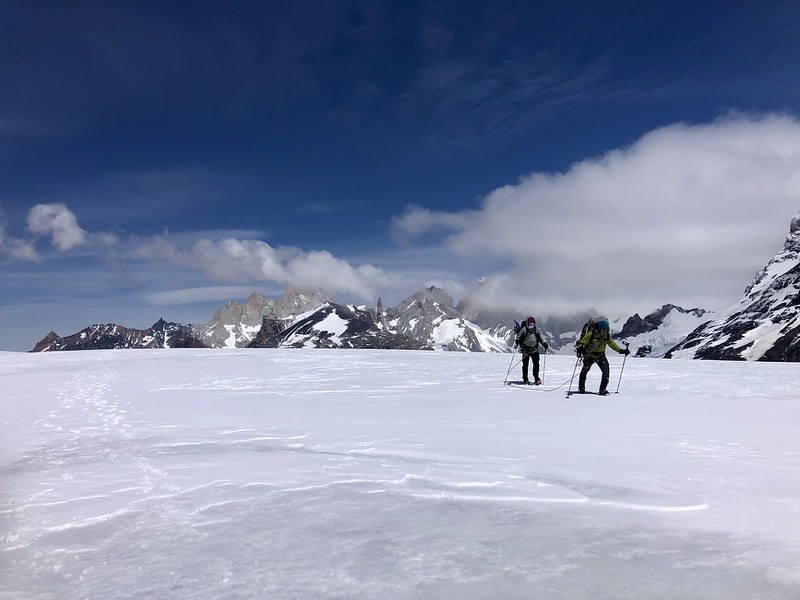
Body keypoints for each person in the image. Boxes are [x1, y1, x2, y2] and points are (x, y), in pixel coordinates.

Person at [575, 317, 630, 395]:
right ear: (599, 329)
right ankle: (581, 387)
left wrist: (621, 351)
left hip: (600, 355)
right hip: (590, 355)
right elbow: (584, 341)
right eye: (603, 330)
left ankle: (602, 389)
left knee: (605, 371)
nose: (605, 332)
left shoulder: (606, 335)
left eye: (606, 330)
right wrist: (581, 347)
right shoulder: (592, 333)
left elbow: (612, 344)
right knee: (584, 371)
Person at [515, 316, 549, 384]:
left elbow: (541, 338)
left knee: (536, 364)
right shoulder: (524, 329)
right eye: (530, 324)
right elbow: (519, 336)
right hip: (525, 350)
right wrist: (518, 340)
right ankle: (525, 379)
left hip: (534, 350)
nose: (531, 326)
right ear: (528, 324)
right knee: (525, 365)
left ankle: (536, 378)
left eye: (532, 324)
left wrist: (544, 344)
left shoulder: (537, 330)